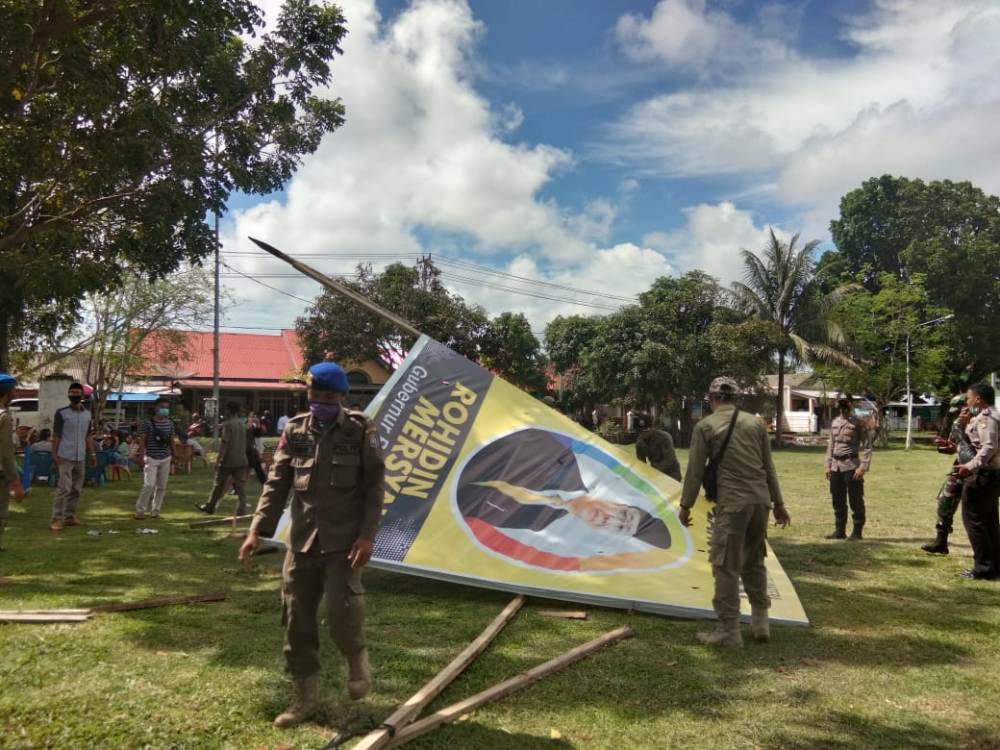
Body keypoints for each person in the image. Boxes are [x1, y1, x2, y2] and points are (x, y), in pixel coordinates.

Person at [238, 362, 384, 728]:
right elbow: (277, 483)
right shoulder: (295, 430)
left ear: (341, 397)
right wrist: (257, 530)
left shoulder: (360, 430)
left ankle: (356, 660)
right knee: (296, 620)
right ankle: (305, 699)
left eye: (327, 396)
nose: (319, 401)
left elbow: (374, 487)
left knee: (342, 611)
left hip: (344, 542)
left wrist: (367, 536)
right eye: (314, 395)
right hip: (302, 541)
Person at [678, 376, 790, 648]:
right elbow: (768, 466)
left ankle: (729, 630)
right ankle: (760, 621)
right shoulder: (755, 423)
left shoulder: (705, 426)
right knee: (753, 559)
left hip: (732, 503)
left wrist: (685, 506)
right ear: (737, 398)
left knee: (726, 565)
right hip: (760, 502)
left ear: (712, 399)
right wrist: (779, 504)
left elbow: (695, 471)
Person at [956, 382, 1000, 580]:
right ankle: (994, 565)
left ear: (978, 399)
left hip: (984, 475)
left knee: (973, 521)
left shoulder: (987, 418)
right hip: (992, 475)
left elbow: (988, 447)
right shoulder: (989, 416)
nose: (968, 401)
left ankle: (983, 568)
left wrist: (970, 466)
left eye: (969, 397)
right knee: (989, 521)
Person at [921, 397, 974, 555]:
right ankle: (941, 542)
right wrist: (945, 446)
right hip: (959, 468)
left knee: (977, 511)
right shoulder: (957, 423)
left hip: (978, 471)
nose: (958, 414)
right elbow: (954, 446)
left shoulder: (982, 423)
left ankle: (986, 549)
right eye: (956, 412)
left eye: (961, 410)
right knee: (945, 501)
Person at [824, 396, 873, 540]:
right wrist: (827, 465)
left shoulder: (858, 424)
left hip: (852, 465)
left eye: (846, 407)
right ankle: (840, 531)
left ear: (851, 408)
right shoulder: (835, 423)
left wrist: (863, 467)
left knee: (855, 500)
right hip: (836, 467)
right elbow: (831, 445)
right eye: (842, 408)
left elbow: (868, 447)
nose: (844, 410)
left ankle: (857, 532)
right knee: (837, 499)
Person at [50, 382, 96, 531]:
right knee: (64, 488)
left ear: (82, 395)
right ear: (68, 395)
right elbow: (56, 435)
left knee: (76, 488)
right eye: (72, 392)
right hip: (65, 455)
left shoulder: (87, 414)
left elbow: (88, 436)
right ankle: (56, 518)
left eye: (77, 392)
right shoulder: (61, 413)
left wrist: (92, 453)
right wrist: (54, 453)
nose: (75, 395)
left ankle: (70, 516)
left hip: (80, 456)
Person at [196, 402, 249, 516]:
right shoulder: (242, 424)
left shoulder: (228, 424)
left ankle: (210, 506)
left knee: (218, 484)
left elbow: (225, 443)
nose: (225, 412)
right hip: (241, 459)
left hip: (228, 460)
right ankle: (242, 509)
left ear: (229, 411)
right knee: (241, 486)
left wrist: (218, 460)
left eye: (226, 410)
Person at [134, 398, 175, 520]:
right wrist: (141, 457)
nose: (165, 410)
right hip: (151, 457)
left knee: (162, 486)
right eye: (162, 407)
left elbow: (171, 440)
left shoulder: (170, 423)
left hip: (166, 457)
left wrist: (175, 454)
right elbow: (143, 441)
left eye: (167, 407)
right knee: (149, 485)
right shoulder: (147, 423)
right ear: (156, 408)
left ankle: (156, 510)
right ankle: (140, 510)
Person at [0, 373, 27, 550]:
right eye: (12, 391)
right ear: (6, 393)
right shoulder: (4, 417)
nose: (14, 395)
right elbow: (6, 452)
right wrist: (15, 481)